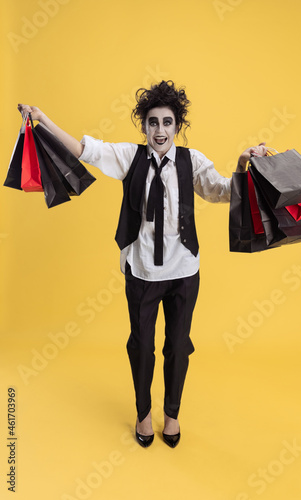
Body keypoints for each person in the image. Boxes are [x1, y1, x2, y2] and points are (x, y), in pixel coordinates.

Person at [18, 80, 267, 448]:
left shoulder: (191, 160)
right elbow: (85, 150)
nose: (160, 130)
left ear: (177, 127)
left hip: (184, 272)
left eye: (167, 123)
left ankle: (172, 415)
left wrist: (244, 162)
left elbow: (220, 190)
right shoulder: (128, 157)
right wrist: (42, 120)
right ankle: (143, 415)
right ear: (144, 126)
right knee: (142, 346)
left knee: (178, 346)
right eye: (153, 123)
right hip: (142, 273)